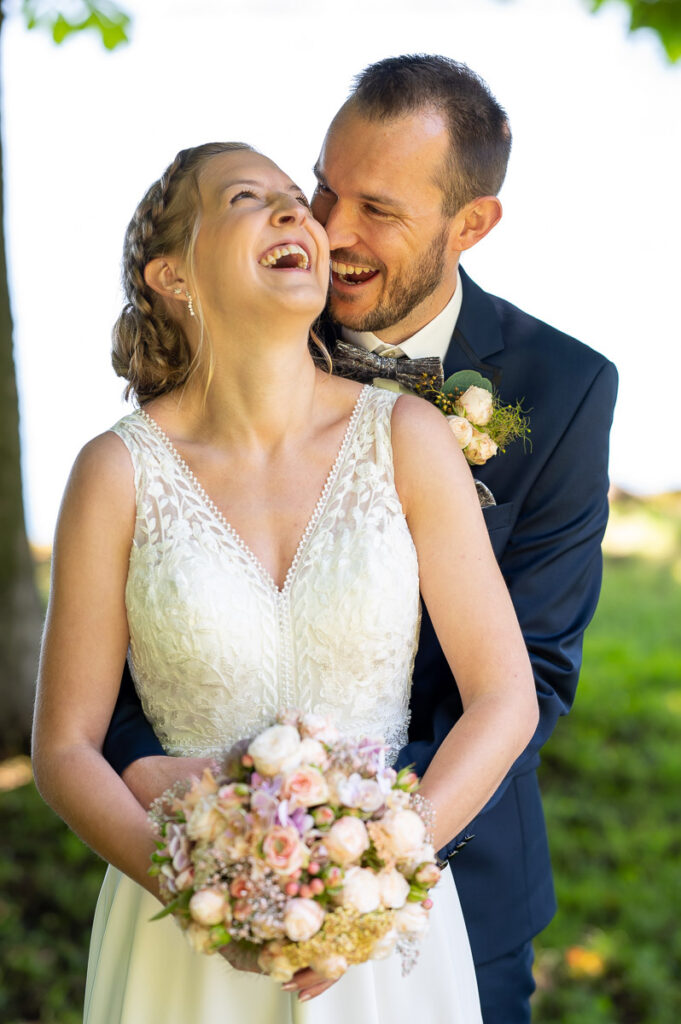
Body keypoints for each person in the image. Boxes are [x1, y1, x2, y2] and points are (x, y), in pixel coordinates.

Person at [102, 57, 619, 1023]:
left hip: (454, 883)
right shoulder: (249, 331)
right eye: (324, 188)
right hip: (208, 865)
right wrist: (187, 804)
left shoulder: (564, 387)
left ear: (470, 225)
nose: (332, 231)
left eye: (377, 209)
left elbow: (531, 674)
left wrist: (355, 859)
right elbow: (159, 614)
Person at [32, 141, 538, 1023]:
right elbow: (65, 750)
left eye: (293, 198)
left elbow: (504, 699)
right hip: (184, 937)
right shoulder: (114, 473)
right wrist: (205, 894)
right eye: (244, 197)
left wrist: (375, 875)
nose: (293, 211)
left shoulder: (407, 436)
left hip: (381, 929)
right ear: (172, 276)